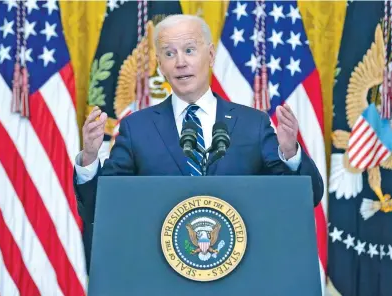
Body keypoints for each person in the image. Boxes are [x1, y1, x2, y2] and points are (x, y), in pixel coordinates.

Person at [74, 14, 324, 269]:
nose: (180, 62)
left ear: (211, 56)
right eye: (169, 54)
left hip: (241, 272)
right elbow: (100, 208)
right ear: (160, 65)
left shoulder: (253, 124)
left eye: (189, 50)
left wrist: (291, 152)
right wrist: (91, 159)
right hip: (160, 273)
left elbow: (308, 197)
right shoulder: (136, 128)